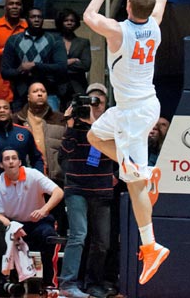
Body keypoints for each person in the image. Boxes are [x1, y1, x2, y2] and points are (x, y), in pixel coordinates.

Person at [83, 0, 170, 286]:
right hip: (136, 107)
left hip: (134, 114)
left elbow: (89, 16)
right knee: (93, 138)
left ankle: (151, 246)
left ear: (129, 5)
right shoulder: (157, 22)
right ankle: (143, 172)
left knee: (132, 186)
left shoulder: (119, 31)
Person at [58, 83, 115, 298]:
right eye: (90, 100)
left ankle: (93, 283)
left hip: (101, 188)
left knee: (102, 242)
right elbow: (64, 154)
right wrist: (71, 126)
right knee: (78, 235)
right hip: (76, 187)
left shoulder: (111, 124)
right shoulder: (74, 125)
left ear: (105, 104)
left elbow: (112, 152)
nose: (94, 104)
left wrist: (94, 126)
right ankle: (68, 283)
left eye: (98, 100)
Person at [0, 147, 64, 288]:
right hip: (13, 224)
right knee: (0, 236)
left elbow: (58, 192)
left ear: (19, 162)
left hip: (39, 222)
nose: (11, 161)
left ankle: (49, 282)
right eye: (7, 159)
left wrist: (44, 210)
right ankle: (12, 282)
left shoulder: (33, 174)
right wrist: (13, 227)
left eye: (14, 158)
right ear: (1, 165)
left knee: (50, 237)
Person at [13, 81, 68, 235]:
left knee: (57, 224)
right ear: (28, 96)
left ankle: (54, 257)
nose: (39, 94)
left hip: (55, 178)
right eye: (35, 91)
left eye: (43, 91)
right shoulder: (16, 120)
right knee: (28, 222)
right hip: (26, 180)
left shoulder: (60, 119)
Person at [1, 7, 67, 112]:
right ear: (26, 19)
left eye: (39, 17)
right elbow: (4, 72)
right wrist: (20, 70)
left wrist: (36, 66)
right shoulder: (14, 40)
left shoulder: (54, 40)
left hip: (48, 92)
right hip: (21, 93)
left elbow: (62, 67)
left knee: (53, 125)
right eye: (33, 17)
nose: (36, 19)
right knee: (21, 126)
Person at [0, 99, 45, 183]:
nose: (2, 110)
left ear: (11, 112)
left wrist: (38, 179)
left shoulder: (25, 132)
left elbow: (37, 158)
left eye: (5, 108)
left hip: (23, 185)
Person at [56, 8, 91, 112]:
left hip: (78, 86)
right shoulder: (53, 41)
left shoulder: (83, 42)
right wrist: (72, 61)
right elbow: (50, 64)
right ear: (61, 22)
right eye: (66, 20)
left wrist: (61, 65)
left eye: (72, 21)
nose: (69, 23)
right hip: (57, 87)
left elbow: (86, 65)